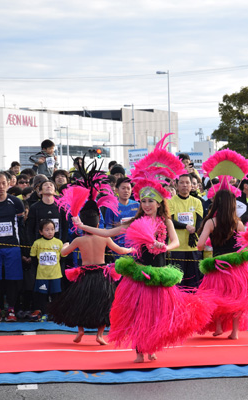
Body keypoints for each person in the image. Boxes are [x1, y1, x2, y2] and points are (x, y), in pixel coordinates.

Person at [74, 133, 214, 363]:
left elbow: (176, 242)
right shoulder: (135, 222)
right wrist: (85, 226)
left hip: (160, 275)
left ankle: (152, 346)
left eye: (151, 201)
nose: (147, 205)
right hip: (139, 276)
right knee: (140, 314)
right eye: (144, 202)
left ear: (159, 203)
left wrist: (164, 245)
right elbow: (110, 232)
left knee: (158, 315)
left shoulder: (165, 221)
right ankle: (140, 350)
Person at [197, 149, 248, 341]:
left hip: (217, 266)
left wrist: (209, 243)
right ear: (232, 204)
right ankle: (234, 332)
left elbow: (200, 246)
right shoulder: (238, 222)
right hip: (237, 268)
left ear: (216, 203)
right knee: (236, 299)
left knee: (216, 296)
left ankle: (217, 327)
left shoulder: (211, 222)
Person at [52, 199, 132, 344]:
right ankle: (100, 335)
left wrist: (65, 244)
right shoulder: (104, 238)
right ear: (97, 225)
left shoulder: (79, 240)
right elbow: (120, 250)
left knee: (80, 303)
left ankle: (80, 330)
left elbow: (64, 253)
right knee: (103, 304)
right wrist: (131, 249)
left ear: (82, 225)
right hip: (101, 275)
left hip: (84, 275)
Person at [168, 174, 204, 289]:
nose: (185, 185)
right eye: (182, 183)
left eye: (187, 183)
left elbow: (199, 221)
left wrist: (195, 230)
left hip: (193, 247)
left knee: (194, 282)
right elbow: (170, 221)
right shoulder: (170, 202)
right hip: (177, 248)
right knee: (178, 283)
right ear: (176, 185)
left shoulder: (197, 202)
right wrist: (186, 226)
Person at [0, 172, 25, 322]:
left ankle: (11, 310)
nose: (0, 187)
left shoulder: (16, 202)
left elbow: (21, 226)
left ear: (9, 183)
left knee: (12, 280)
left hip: (12, 247)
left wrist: (24, 249)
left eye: (3, 183)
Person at [29, 220, 63, 321]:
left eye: (52, 229)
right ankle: (44, 313)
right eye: (47, 230)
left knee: (55, 296)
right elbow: (34, 259)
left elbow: (63, 257)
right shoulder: (37, 243)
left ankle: (55, 314)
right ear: (41, 232)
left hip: (55, 275)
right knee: (42, 296)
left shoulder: (59, 243)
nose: (50, 232)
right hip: (42, 276)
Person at [103, 177, 139, 256]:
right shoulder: (111, 207)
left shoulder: (137, 205)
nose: (126, 191)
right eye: (123, 188)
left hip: (135, 246)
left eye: (128, 188)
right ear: (116, 190)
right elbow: (108, 227)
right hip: (118, 247)